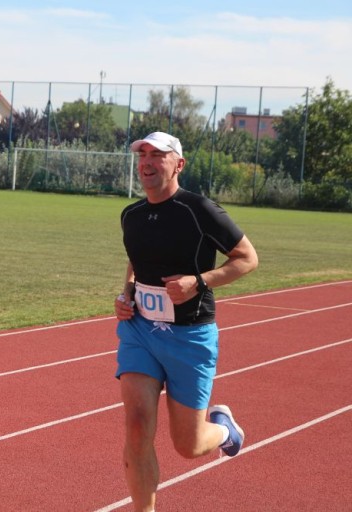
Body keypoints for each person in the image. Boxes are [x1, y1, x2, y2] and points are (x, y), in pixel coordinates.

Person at [114, 131, 259, 512]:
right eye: (142, 155)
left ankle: (224, 430)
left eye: (157, 155)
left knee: (188, 445)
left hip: (190, 336)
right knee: (137, 425)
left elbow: (247, 258)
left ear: (178, 164)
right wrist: (126, 293)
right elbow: (135, 261)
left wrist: (199, 282)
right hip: (140, 331)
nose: (147, 162)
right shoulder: (131, 215)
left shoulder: (199, 210)